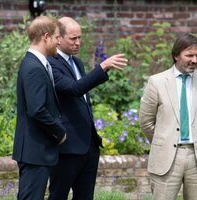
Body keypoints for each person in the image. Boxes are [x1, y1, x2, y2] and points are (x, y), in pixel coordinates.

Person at [47, 17, 127, 200]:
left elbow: (83, 98)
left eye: (80, 38)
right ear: (58, 38)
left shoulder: (77, 63)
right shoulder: (50, 63)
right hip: (66, 147)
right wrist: (103, 66)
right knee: (58, 195)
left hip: (88, 147)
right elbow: (74, 89)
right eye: (73, 38)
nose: (78, 43)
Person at [12, 16, 66, 200]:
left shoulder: (37, 63)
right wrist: (59, 132)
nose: (59, 41)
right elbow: (36, 110)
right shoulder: (34, 67)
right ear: (46, 37)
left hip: (37, 150)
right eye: (57, 37)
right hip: (35, 151)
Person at [139, 33, 197, 200]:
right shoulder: (156, 82)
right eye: (190, 55)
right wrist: (162, 140)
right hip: (167, 158)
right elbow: (146, 121)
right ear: (176, 55)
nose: (194, 60)